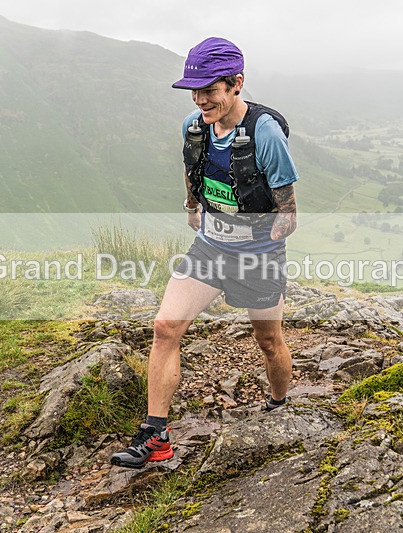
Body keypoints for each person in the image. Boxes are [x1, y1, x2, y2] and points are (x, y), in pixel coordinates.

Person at [110, 37, 299, 468]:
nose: (200, 100)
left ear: (236, 83)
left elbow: (288, 212)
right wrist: (194, 207)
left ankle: (278, 404)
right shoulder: (193, 126)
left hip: (257, 255)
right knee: (165, 327)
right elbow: (191, 167)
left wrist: (256, 237)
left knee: (268, 341)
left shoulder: (265, 133)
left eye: (209, 90)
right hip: (209, 248)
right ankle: (156, 436)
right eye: (194, 91)